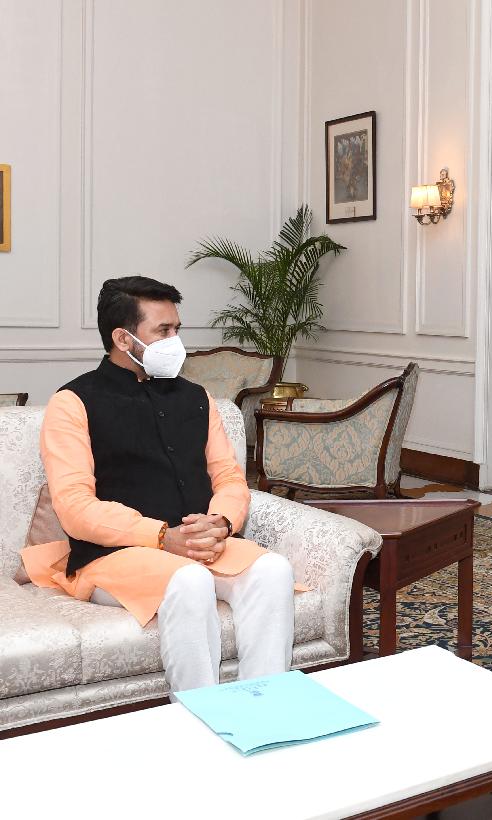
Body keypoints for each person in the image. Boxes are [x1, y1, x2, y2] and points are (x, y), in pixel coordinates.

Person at [22, 276, 296, 694]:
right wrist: (163, 537)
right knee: (189, 579)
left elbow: (228, 477)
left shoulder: (197, 398)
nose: (175, 341)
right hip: (113, 556)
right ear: (123, 338)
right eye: (163, 331)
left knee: (273, 570)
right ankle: (200, 714)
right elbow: (75, 507)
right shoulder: (73, 402)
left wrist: (220, 522)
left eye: (177, 329)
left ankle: (263, 708)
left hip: (197, 545)